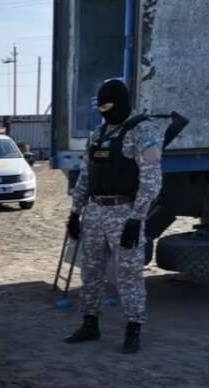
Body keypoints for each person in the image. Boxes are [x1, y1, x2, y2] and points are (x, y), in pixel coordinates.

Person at [65, 77, 163, 353]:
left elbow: (152, 179)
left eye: (109, 107)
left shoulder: (142, 132)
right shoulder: (99, 134)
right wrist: (75, 212)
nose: (104, 113)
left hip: (124, 212)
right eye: (101, 108)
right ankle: (90, 323)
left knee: (128, 273)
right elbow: (86, 174)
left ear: (121, 104)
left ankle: (133, 328)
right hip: (95, 211)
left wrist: (137, 217)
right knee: (91, 270)